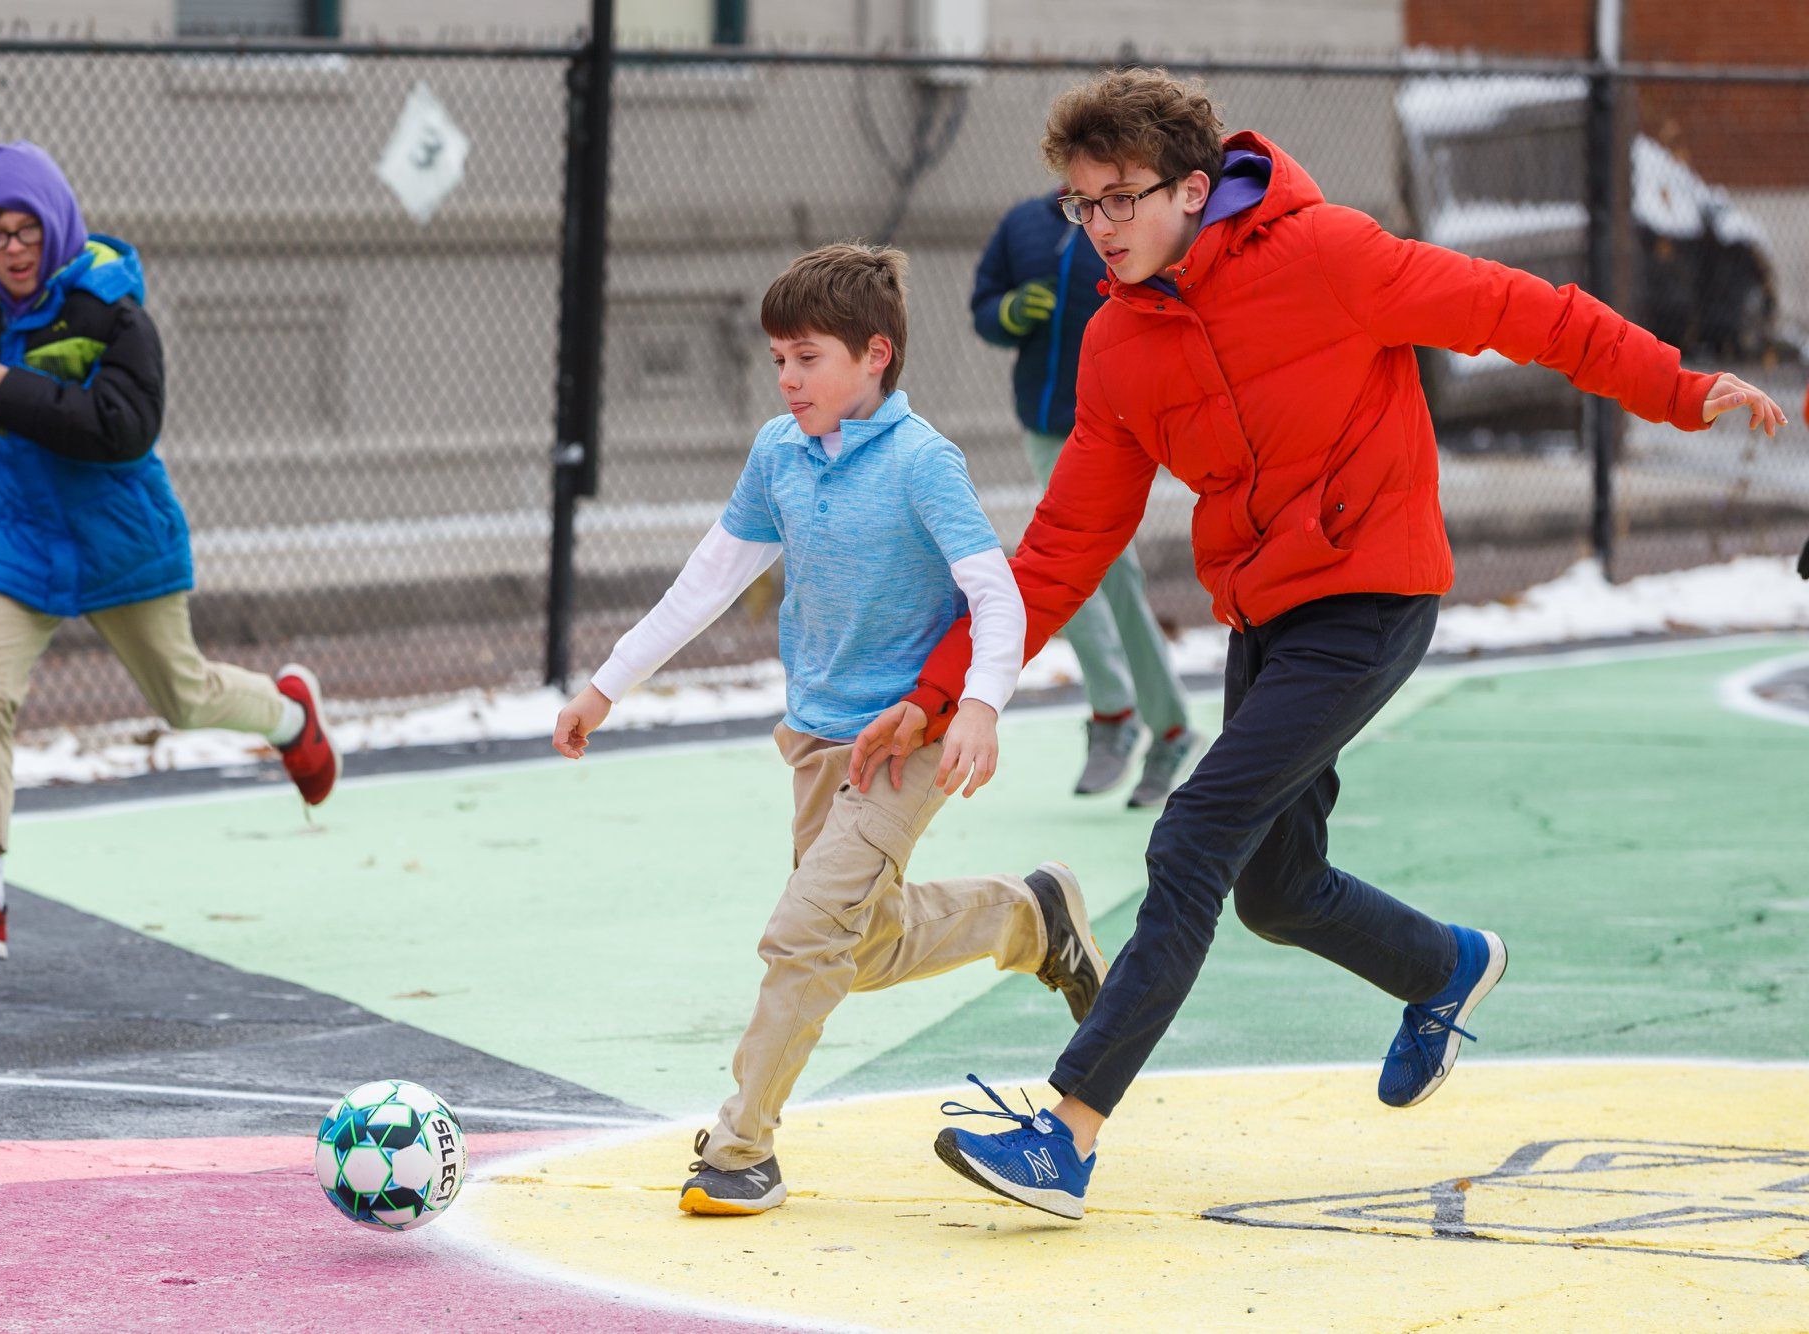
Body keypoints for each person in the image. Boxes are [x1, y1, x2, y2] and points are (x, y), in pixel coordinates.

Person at [847, 70, 1787, 1220]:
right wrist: (939, 690)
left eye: (1119, 198)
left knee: (1189, 835)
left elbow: (1522, 312)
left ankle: (1068, 1130)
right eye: (1079, 204)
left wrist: (1677, 388)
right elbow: (1058, 550)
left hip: (1372, 595)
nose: (1098, 226)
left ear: (1193, 189)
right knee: (1274, 888)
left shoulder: (1329, 256)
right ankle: (1440, 966)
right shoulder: (1117, 343)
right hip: (1267, 613)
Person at [551, 243, 1108, 1216]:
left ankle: (739, 1147)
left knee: (803, 934)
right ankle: (1029, 915)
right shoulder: (779, 451)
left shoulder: (921, 460)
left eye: (806, 356)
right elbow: (710, 576)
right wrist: (605, 684)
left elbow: (994, 590)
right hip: (813, 741)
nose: (786, 377)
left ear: (873, 355)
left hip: (907, 740)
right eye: (777, 358)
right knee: (863, 944)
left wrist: (976, 703)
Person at [0, 142, 339, 962]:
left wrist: (13, 392)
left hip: (117, 537)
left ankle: (291, 717)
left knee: (183, 699)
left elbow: (124, 428)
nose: (8, 249)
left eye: (22, 230)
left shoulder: (114, 313)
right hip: (16, 540)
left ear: (55, 226)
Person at [972, 191, 1197, 804]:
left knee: (1108, 573)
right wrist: (1011, 313)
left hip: (1122, 424)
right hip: (1049, 427)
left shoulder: (1144, 221)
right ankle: (1140, 720)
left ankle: (1141, 721)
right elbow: (985, 305)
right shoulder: (1022, 223)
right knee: (1093, 572)